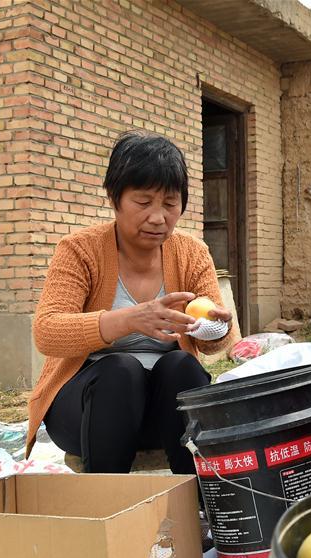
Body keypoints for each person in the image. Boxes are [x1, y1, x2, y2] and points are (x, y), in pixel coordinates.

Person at [24, 131, 241, 473]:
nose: (159, 217)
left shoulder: (192, 253)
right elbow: (47, 332)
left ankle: (198, 503)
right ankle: (111, 507)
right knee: (120, 370)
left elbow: (214, 345)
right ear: (115, 198)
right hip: (87, 411)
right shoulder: (80, 250)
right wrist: (129, 320)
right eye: (143, 202)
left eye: (170, 204)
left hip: (162, 413)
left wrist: (215, 326)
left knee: (183, 367)